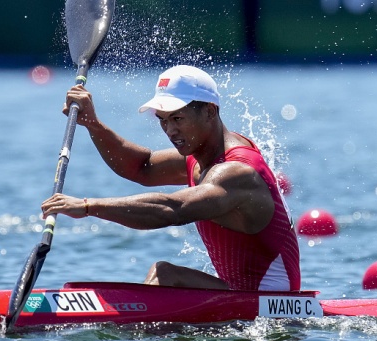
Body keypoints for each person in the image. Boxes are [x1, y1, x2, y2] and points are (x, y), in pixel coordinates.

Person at [40, 65, 301, 292]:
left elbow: (172, 209)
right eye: (163, 120)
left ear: (210, 111)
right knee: (163, 275)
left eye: (178, 118)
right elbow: (141, 168)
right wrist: (93, 124)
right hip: (239, 294)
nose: (170, 130)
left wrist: (87, 206)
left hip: (270, 302)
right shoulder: (200, 156)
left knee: (165, 275)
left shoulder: (236, 171)